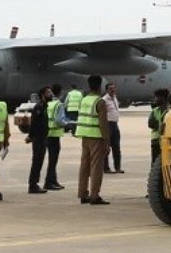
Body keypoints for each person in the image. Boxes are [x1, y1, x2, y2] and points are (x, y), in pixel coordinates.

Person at [75, 74, 110, 205]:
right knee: (96, 166)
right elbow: (103, 124)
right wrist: (107, 141)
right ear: (99, 86)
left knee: (84, 165)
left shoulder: (84, 100)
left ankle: (83, 194)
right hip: (96, 136)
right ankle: (95, 195)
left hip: (84, 135)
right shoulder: (99, 102)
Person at [45, 83, 72, 190]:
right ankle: (49, 182)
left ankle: (53, 180)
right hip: (55, 135)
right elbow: (59, 120)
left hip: (48, 134)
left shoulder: (49, 103)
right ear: (61, 92)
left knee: (52, 160)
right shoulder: (59, 104)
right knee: (53, 160)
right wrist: (67, 124)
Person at [25, 86, 51, 194]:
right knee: (36, 161)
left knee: (39, 161)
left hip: (43, 138)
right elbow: (34, 123)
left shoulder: (44, 106)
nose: (51, 94)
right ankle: (32, 185)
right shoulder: (39, 107)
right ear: (42, 95)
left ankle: (34, 183)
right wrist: (30, 136)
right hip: (38, 139)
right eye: (48, 92)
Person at [102, 83, 123, 174]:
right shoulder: (104, 100)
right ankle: (106, 168)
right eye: (111, 89)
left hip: (115, 125)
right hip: (108, 125)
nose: (113, 90)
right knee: (106, 147)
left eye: (114, 88)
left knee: (116, 147)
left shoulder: (115, 98)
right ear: (107, 90)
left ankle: (117, 167)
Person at [148, 89, 169, 162]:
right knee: (155, 162)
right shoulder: (155, 110)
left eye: (156, 97)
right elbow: (150, 124)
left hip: (166, 140)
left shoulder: (170, 111)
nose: (155, 99)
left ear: (162, 98)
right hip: (156, 140)